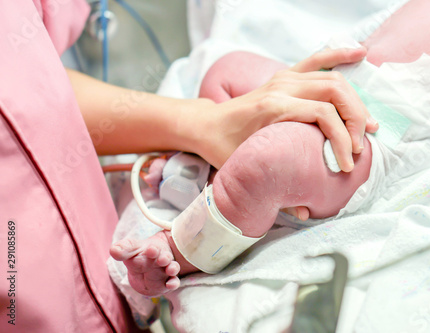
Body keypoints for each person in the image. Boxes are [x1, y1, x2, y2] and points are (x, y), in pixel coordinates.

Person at [0, 1, 375, 332]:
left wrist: (198, 123)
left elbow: (32, 79)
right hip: (45, 290)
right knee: (264, 158)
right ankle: (187, 244)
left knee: (230, 74)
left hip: (359, 107)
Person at [109, 0, 430, 298]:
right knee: (226, 69)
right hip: (325, 80)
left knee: (268, 162)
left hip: (379, 134)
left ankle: (181, 249)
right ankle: (208, 163)